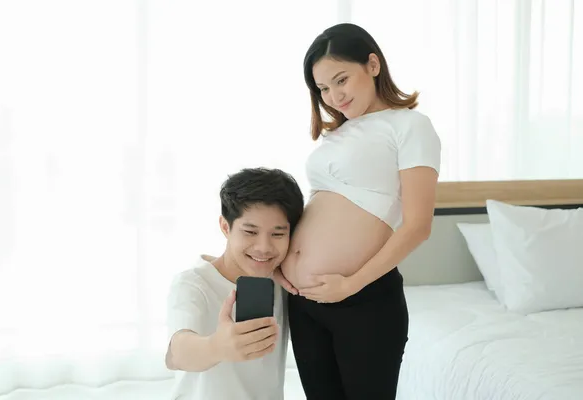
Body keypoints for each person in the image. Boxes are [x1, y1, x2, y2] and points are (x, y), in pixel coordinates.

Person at [275, 23, 441, 399]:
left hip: (362, 299)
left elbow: (418, 226)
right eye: (323, 89)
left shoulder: (410, 126)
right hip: (304, 302)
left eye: (341, 80)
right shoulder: (336, 135)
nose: (333, 95)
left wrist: (350, 284)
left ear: (372, 64)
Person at [165, 167, 304, 400]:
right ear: (225, 227)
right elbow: (176, 354)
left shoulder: (283, 283)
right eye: (250, 232)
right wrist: (217, 346)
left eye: (278, 234)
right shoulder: (193, 283)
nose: (264, 247)